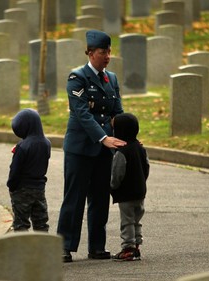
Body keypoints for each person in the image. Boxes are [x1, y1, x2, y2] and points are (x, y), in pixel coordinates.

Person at [57, 29, 126, 263]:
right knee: (74, 198)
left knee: (99, 198)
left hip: (104, 149)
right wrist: (103, 138)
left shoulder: (112, 78)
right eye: (102, 52)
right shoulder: (77, 78)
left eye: (109, 51)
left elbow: (117, 112)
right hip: (80, 148)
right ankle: (64, 246)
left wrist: (128, 137)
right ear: (90, 52)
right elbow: (82, 113)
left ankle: (97, 246)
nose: (107, 56)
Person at [110, 113, 150, 261]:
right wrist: (142, 181)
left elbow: (117, 174)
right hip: (140, 191)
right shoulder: (140, 148)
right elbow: (146, 166)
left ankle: (128, 248)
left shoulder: (121, 152)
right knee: (136, 219)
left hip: (126, 193)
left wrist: (113, 186)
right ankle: (137, 245)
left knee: (127, 220)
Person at [7, 108, 51, 232]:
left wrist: (11, 185)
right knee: (41, 223)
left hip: (22, 190)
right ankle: (42, 250)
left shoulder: (22, 146)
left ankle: (24, 250)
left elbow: (15, 170)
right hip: (39, 189)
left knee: (21, 224)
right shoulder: (46, 143)